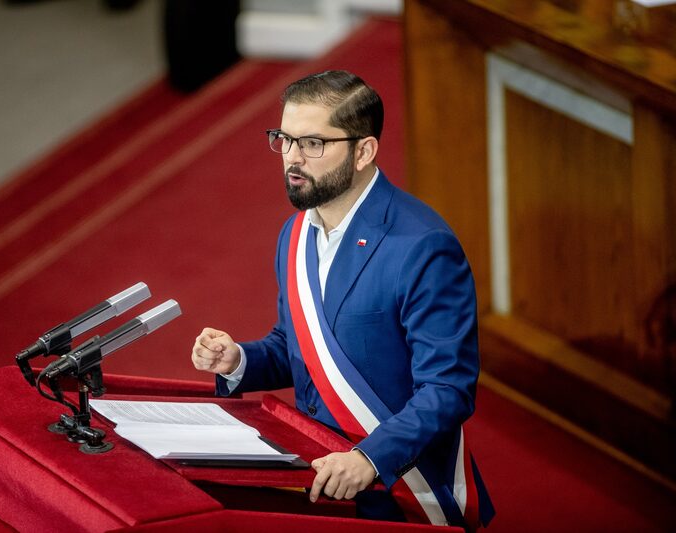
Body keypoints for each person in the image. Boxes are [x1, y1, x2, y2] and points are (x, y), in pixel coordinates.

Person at [191, 70, 494, 529]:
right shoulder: (294, 235)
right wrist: (238, 361)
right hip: (320, 485)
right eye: (284, 139)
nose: (292, 158)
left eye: (313, 143)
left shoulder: (423, 246)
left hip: (400, 491)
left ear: (364, 151)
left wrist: (370, 459)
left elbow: (447, 390)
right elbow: (297, 346)